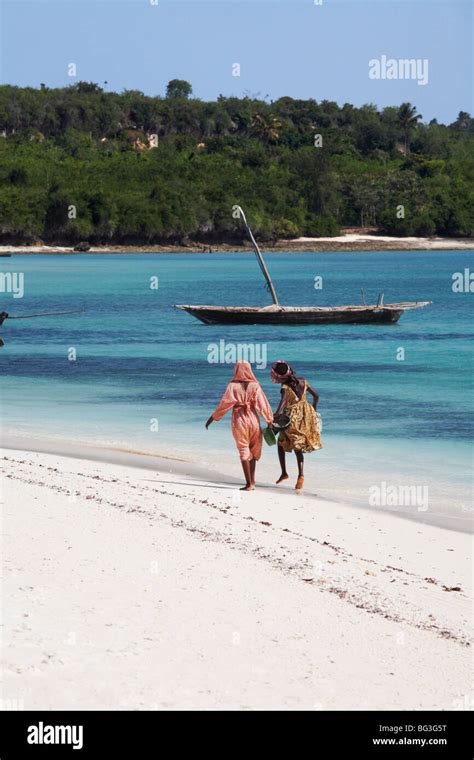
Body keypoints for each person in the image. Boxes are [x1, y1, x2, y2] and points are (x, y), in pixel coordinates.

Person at [206, 361, 273, 491]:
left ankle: (248, 484)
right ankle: (252, 482)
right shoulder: (255, 385)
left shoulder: (232, 386)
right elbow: (263, 404)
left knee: (243, 449)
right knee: (254, 449)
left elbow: (224, 405)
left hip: (239, 420)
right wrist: (269, 421)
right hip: (253, 419)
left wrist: (212, 418)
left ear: (236, 370)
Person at [270, 360, 322, 492]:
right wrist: (313, 409)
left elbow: (282, 403)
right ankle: (300, 475)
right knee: (298, 447)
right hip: (305, 416)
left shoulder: (285, 387)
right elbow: (316, 396)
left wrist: (275, 415)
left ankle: (285, 472)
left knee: (281, 443)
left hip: (290, 418)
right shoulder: (303, 381)